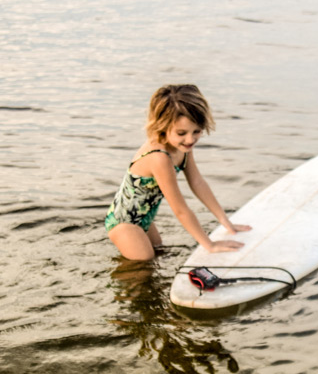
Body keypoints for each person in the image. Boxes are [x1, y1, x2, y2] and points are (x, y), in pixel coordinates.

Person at [105, 84, 250, 260]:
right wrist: (209, 245)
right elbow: (180, 209)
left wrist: (225, 221)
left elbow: (197, 183)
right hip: (125, 223)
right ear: (163, 127)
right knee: (142, 267)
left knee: (158, 253)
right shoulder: (159, 157)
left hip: (145, 217)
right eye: (182, 133)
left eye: (196, 131)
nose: (190, 139)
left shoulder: (182, 146)